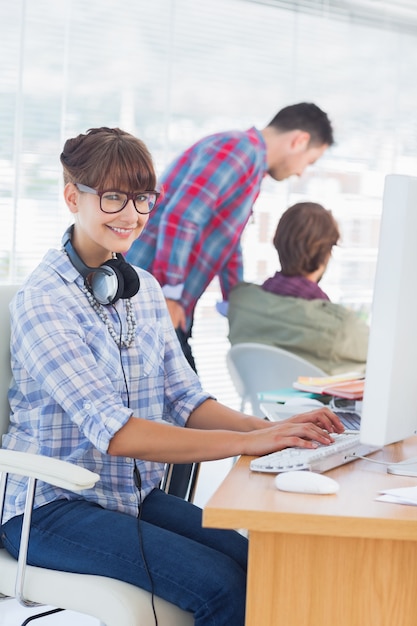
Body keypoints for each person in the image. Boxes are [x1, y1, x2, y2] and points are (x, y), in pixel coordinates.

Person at [0, 128, 344, 626]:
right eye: (114, 197)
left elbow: (185, 398)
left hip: (126, 498)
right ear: (73, 196)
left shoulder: (143, 291)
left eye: (142, 199)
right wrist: (249, 443)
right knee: (221, 588)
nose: (133, 215)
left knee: (266, 564)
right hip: (49, 509)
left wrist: (274, 432)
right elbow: (116, 432)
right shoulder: (43, 302)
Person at [126, 102, 335, 372]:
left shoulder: (249, 164)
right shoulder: (238, 152)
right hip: (153, 299)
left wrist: (233, 303)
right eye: (309, 161)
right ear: (299, 140)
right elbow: (182, 217)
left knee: (183, 405)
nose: (300, 173)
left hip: (165, 303)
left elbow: (227, 243)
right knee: (186, 409)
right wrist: (170, 292)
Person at [227, 202, 369, 376]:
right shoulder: (342, 327)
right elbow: (383, 356)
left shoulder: (240, 301)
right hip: (318, 404)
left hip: (261, 403)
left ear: (277, 243)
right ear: (326, 253)